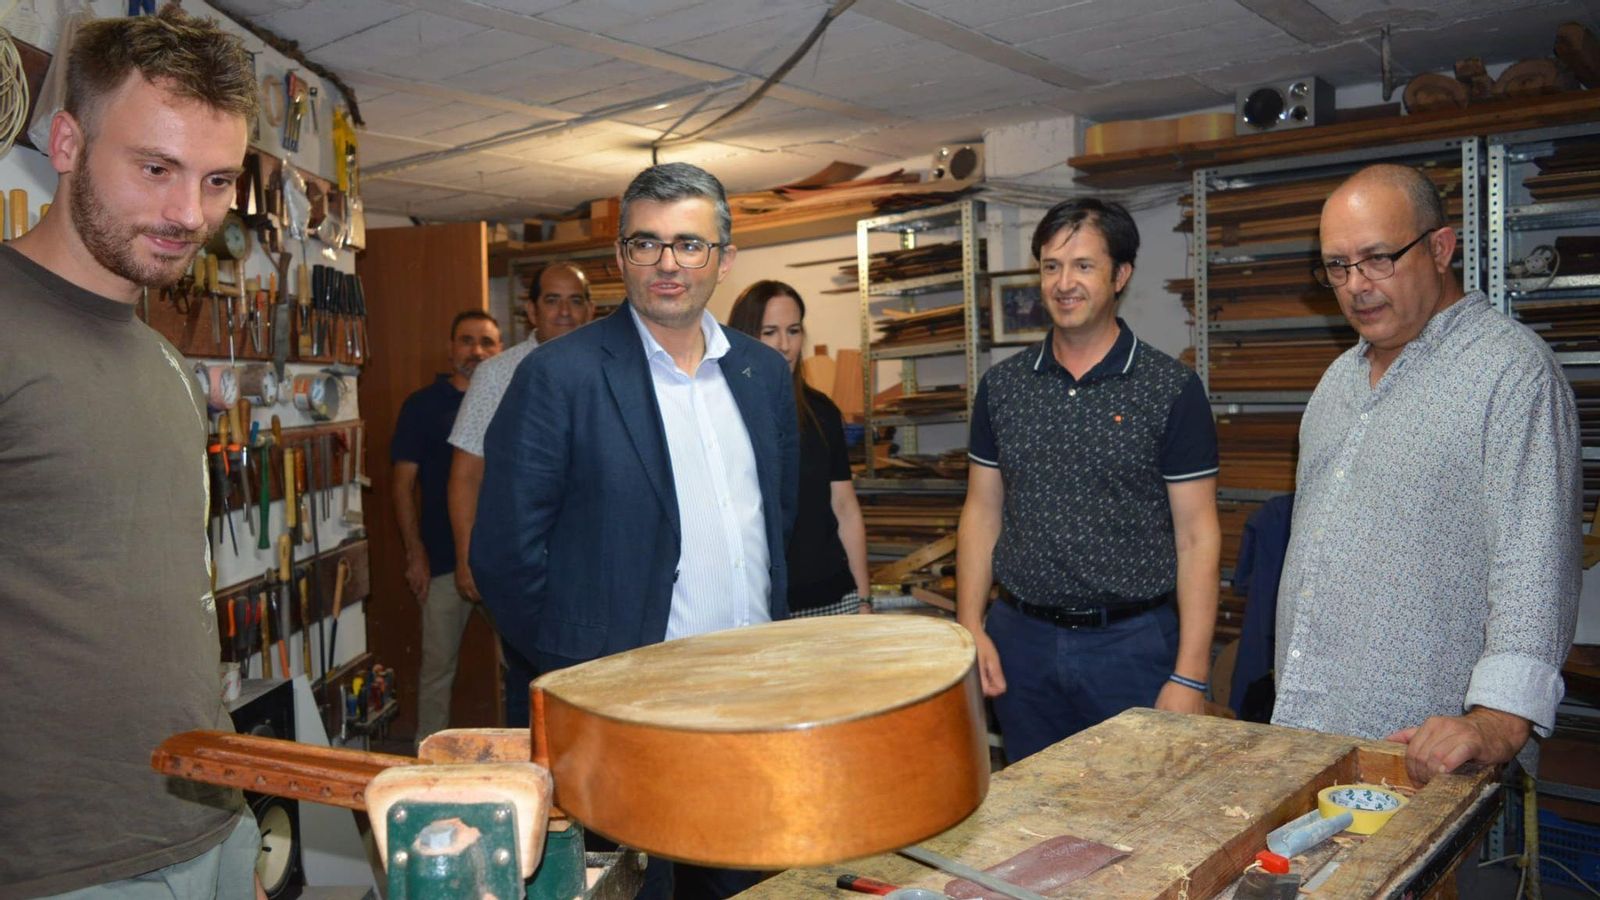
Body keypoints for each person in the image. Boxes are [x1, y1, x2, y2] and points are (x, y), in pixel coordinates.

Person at [473, 162, 797, 900]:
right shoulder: (562, 375)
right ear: (620, 257)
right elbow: (503, 555)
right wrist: (582, 674)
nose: (668, 264)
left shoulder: (761, 375)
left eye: (690, 244)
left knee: (745, 880)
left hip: (747, 702)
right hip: (623, 712)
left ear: (725, 258)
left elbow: (775, 520)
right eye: (646, 244)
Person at [0, 9, 265, 897]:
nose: (189, 214)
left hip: (203, 817)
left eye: (217, 179)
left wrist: (231, 819)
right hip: (63, 860)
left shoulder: (161, 359)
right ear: (67, 141)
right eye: (155, 168)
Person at [1273, 164, 1580, 785]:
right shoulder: (1337, 381)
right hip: (1308, 725)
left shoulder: (1511, 374)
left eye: (1378, 258)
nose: (1356, 285)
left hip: (1421, 750)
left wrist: (1496, 721)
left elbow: (1536, 563)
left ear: (1440, 248)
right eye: (1337, 266)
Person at [955, 197, 1221, 764]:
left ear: (1120, 275)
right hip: (1022, 642)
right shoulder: (1004, 388)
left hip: (1132, 646)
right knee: (1033, 816)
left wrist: (1192, 675)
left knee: (1142, 815)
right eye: (1051, 266)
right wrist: (969, 626)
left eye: (1083, 266)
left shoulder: (1168, 388)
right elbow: (982, 511)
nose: (1063, 283)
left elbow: (1197, 535)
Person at [446, 262, 593, 726]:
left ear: (591, 308)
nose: (565, 311)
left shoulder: (610, 368)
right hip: (525, 564)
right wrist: (467, 553)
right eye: (552, 299)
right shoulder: (498, 374)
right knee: (531, 684)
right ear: (531, 310)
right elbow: (466, 473)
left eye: (576, 300)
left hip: (592, 565)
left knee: (590, 688)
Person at [391, 310, 502, 743]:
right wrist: (414, 553)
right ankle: (425, 770)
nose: (477, 351)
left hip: (502, 561)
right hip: (439, 562)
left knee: (527, 671)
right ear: (451, 348)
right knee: (436, 672)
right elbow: (402, 487)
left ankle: (526, 767)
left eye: (488, 342)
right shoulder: (422, 406)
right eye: (467, 341)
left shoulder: (512, 397)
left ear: (501, 349)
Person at [728, 280, 870, 617]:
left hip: (833, 599)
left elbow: (845, 507)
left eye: (793, 331)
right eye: (769, 332)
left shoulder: (822, 412)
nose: (784, 345)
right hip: (758, 604)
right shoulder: (724, 414)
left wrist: (864, 599)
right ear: (744, 336)